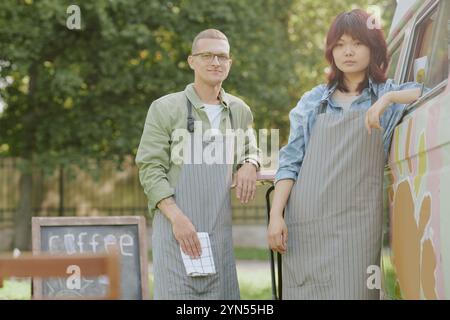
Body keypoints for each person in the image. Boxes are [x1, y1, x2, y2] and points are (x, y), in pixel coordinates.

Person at [267, 9, 425, 300]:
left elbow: (423, 91)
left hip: (358, 225)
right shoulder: (314, 101)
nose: (347, 52)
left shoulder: (386, 96)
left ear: (373, 47)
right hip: (308, 222)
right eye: (339, 45)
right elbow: (290, 162)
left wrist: (387, 99)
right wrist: (276, 215)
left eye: (356, 43)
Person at [136, 29, 260, 300]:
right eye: (207, 55)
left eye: (222, 56)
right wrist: (177, 218)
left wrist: (250, 163)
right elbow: (150, 169)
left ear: (230, 63)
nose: (215, 62)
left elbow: (250, 149)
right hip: (175, 230)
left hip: (219, 234)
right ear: (192, 61)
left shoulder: (239, 110)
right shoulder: (165, 108)